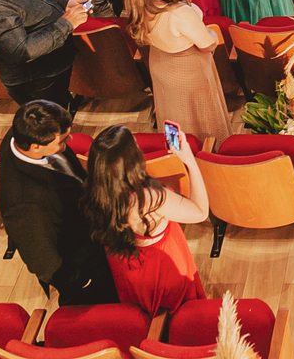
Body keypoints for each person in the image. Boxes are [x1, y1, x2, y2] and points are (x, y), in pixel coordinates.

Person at [0, 100, 117, 303]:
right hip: (85, 267)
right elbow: (45, 263)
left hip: (90, 227)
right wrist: (83, 281)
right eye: (62, 140)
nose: (70, 140)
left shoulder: (20, 134)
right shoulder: (25, 206)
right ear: (35, 147)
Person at [83, 124, 208, 315]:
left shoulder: (96, 193)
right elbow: (200, 212)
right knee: (182, 318)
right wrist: (189, 160)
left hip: (128, 273)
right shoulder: (149, 199)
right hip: (163, 275)